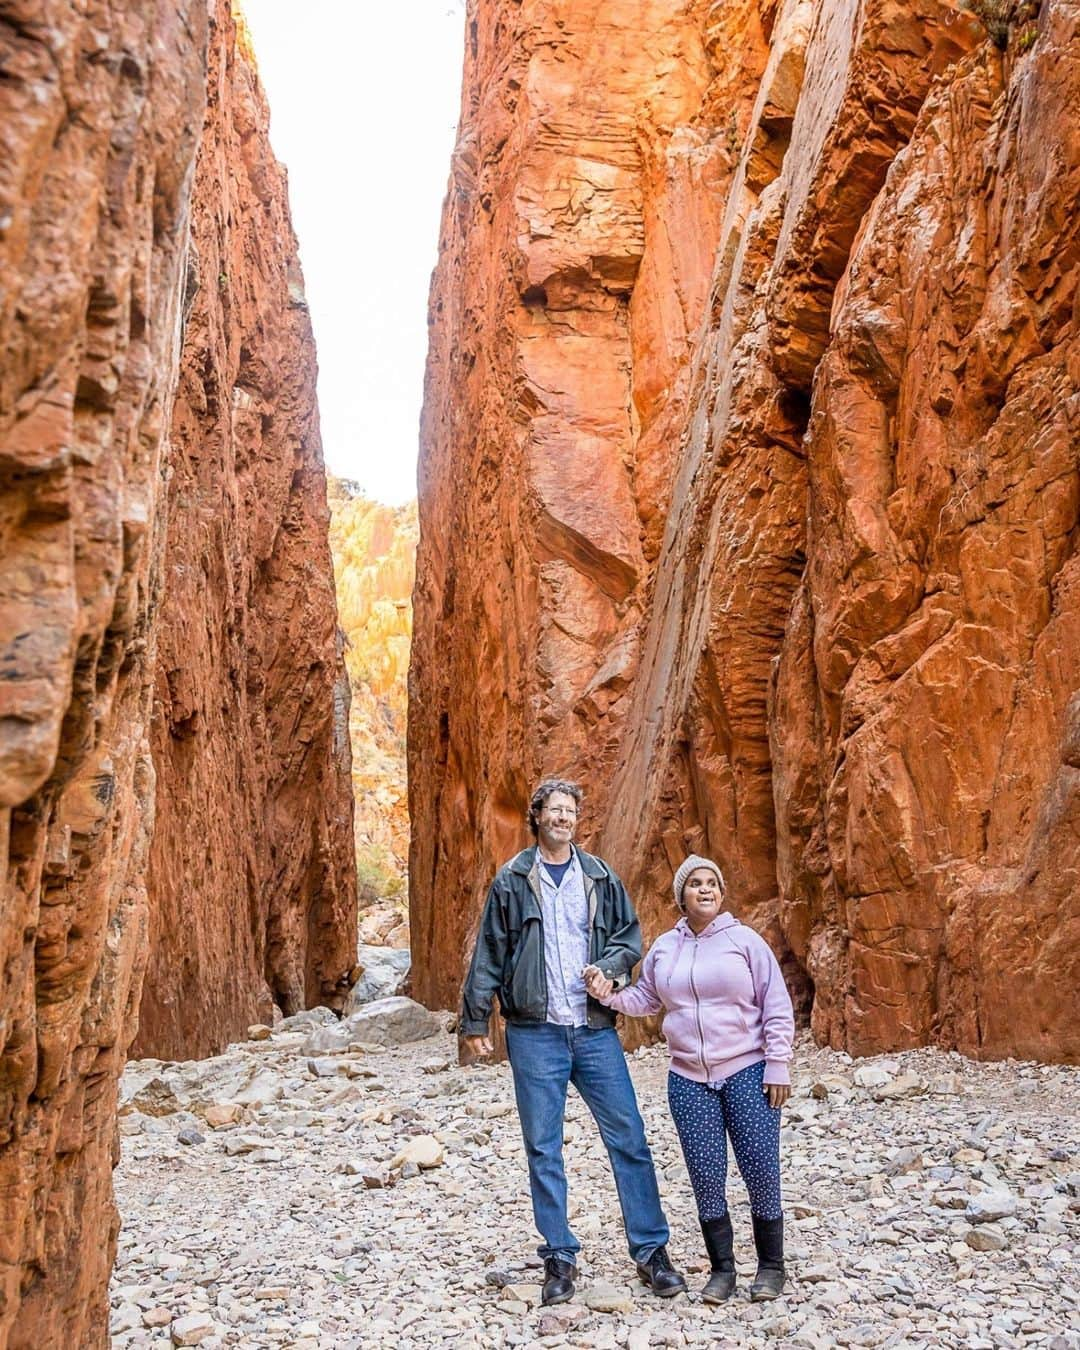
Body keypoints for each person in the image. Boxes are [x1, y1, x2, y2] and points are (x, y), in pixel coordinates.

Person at [461, 779, 687, 1306]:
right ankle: (558, 1256)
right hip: (533, 1032)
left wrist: (609, 969)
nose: (563, 818)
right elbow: (491, 951)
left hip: (592, 1029)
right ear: (537, 817)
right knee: (544, 1147)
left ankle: (652, 1252)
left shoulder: (599, 876)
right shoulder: (513, 880)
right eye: (554, 810)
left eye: (570, 811)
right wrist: (475, 1022)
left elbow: (627, 938)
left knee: (629, 1138)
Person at [583, 854, 794, 1302]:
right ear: (681, 896)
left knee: (760, 1168)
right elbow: (647, 998)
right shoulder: (665, 947)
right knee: (705, 1174)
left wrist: (778, 1064)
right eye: (695, 883)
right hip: (688, 1078)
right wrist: (610, 995)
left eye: (712, 883)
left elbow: (775, 1005)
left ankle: (771, 1267)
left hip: (748, 1070)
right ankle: (723, 1271)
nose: (705, 890)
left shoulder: (746, 942)